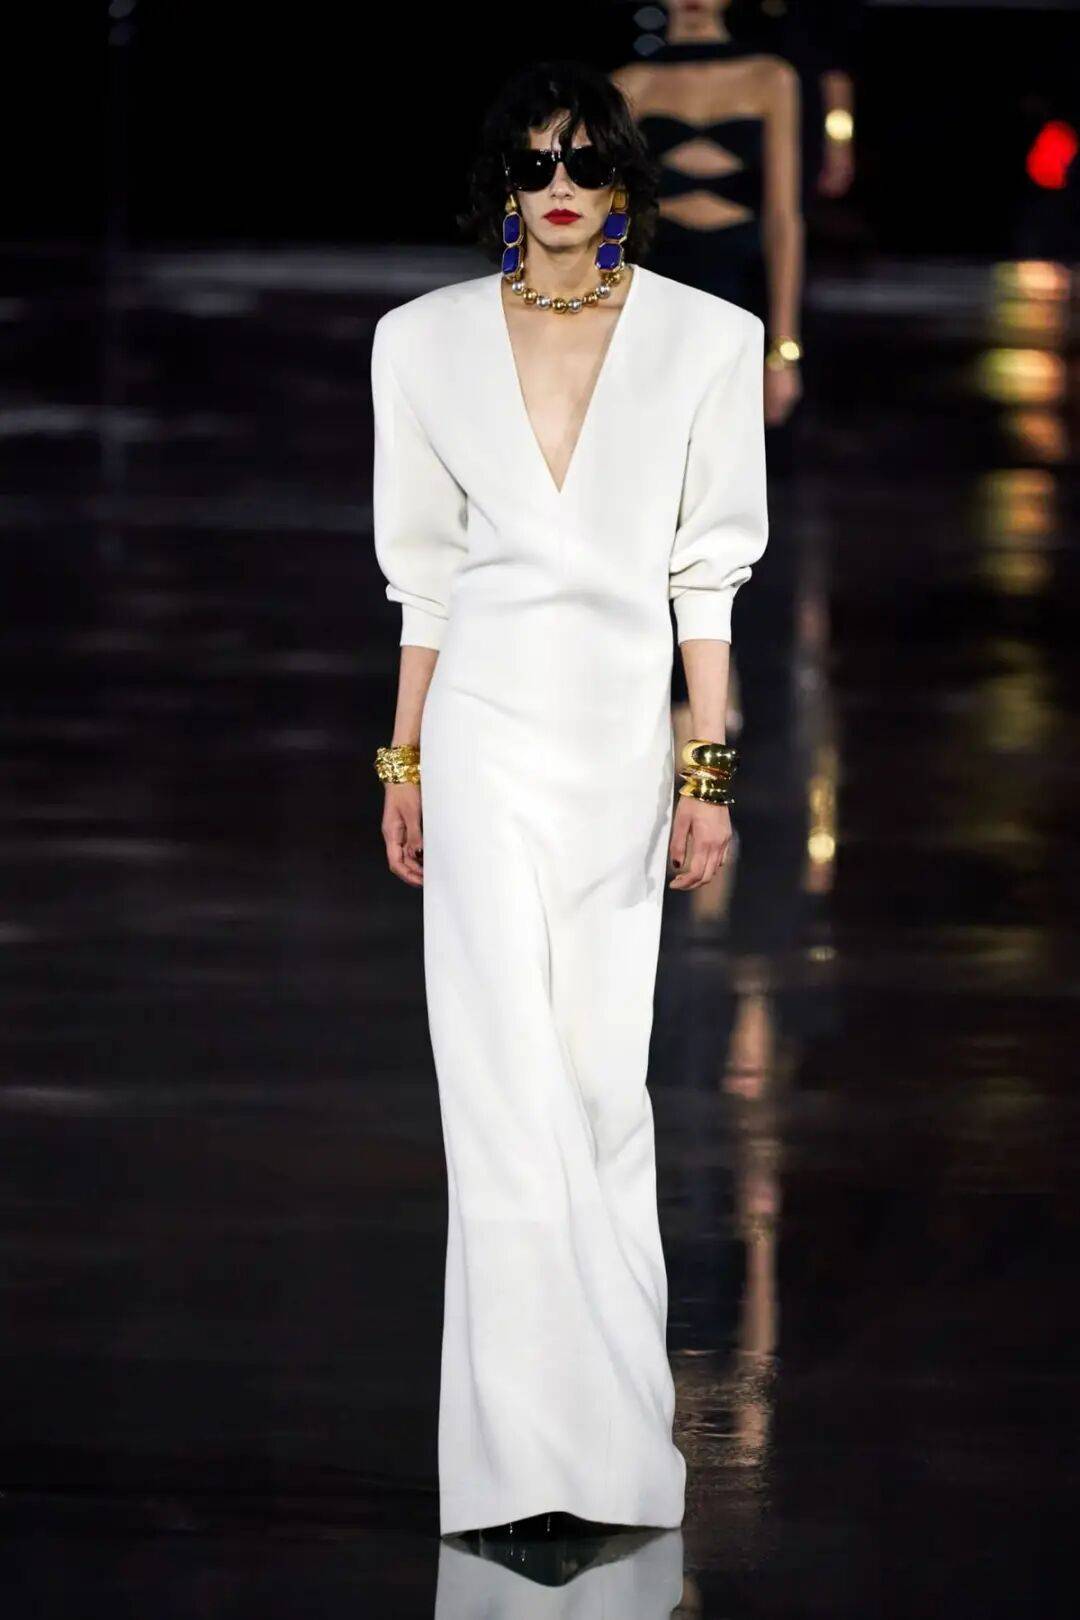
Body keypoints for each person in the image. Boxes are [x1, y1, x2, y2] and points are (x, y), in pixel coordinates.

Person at [369, 58, 769, 1541]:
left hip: (615, 752)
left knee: (598, 1091)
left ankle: (610, 1456)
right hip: (479, 737)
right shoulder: (420, 344)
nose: (560, 188)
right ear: (504, 180)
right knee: (497, 1089)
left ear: (622, 181)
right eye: (537, 162)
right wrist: (404, 761)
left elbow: (706, 578)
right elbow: (423, 579)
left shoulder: (706, 341)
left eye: (588, 161)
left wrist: (707, 770)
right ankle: (511, 1466)